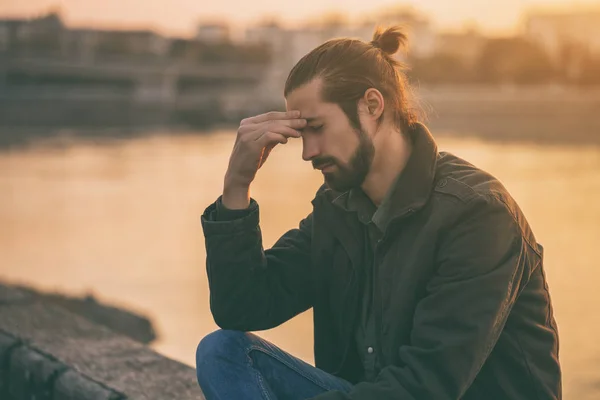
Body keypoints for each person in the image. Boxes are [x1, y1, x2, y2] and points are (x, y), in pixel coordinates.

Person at [196, 26, 561, 400]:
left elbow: (426, 385)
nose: (308, 152)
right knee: (222, 353)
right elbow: (243, 308)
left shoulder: (478, 215)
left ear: (372, 106)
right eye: (302, 134)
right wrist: (236, 187)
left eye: (317, 128)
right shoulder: (339, 207)